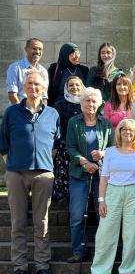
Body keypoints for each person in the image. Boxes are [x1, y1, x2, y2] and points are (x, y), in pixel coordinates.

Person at [0, 68, 60, 274]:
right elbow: (3, 142)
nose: (33, 87)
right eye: (29, 84)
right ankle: (20, 268)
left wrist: (45, 162)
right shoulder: (12, 112)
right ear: (24, 87)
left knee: (41, 222)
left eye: (37, 84)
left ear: (43, 88)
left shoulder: (52, 114)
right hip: (16, 172)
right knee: (17, 221)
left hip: (43, 173)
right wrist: (12, 162)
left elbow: (56, 144)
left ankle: (42, 267)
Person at [86, 119, 135, 274]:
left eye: (131, 130)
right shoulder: (110, 152)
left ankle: (127, 270)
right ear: (119, 132)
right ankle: (99, 269)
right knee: (105, 232)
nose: (127, 133)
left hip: (134, 193)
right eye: (124, 130)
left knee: (132, 233)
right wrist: (101, 200)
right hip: (112, 192)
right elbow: (104, 178)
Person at [65, 87, 114, 263]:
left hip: (102, 176)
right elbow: (70, 147)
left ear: (100, 104)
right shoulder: (73, 122)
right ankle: (79, 250)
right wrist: (85, 162)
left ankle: (102, 252)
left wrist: (103, 154)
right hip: (79, 174)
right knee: (77, 214)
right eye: (88, 100)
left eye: (94, 101)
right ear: (81, 102)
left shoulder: (105, 124)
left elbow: (113, 148)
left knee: (103, 213)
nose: (91, 104)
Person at [52, 75, 84, 203]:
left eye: (77, 85)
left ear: (82, 87)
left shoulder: (88, 102)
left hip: (83, 149)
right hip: (65, 149)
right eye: (71, 85)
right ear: (66, 88)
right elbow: (57, 128)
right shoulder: (59, 105)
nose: (74, 87)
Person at [6, 38, 49, 104]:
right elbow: (12, 95)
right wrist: (22, 111)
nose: (37, 52)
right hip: (19, 111)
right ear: (26, 49)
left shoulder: (43, 71)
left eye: (40, 49)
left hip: (38, 112)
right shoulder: (15, 68)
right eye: (34, 49)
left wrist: (43, 112)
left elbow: (44, 97)